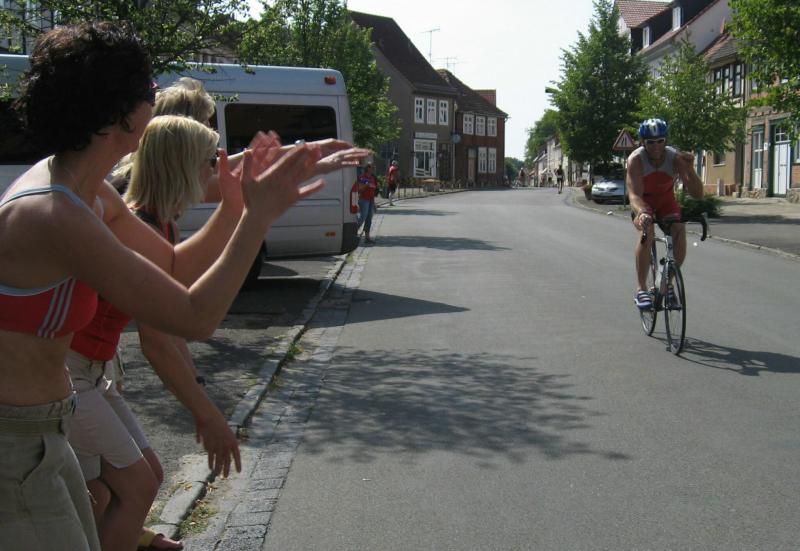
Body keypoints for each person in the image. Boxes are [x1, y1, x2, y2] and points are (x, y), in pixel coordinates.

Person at [0, 21, 367, 551]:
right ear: (123, 114)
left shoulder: (85, 191)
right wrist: (257, 218)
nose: (156, 99)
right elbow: (194, 316)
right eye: (148, 90)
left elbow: (172, 264)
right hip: (16, 442)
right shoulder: (55, 212)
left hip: (44, 429)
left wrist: (237, 203)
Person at [66, 115, 244, 551]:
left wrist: (198, 391)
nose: (214, 171)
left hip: (94, 371)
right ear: (182, 165)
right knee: (134, 486)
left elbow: (172, 326)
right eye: (209, 161)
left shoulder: (161, 224)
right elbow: (161, 340)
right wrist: (206, 413)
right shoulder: (137, 224)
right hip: (68, 373)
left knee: (123, 486)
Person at [627, 118, 703, 310]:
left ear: (666, 140)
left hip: (666, 203)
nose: (656, 146)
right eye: (650, 142)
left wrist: (690, 168)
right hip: (643, 203)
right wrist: (642, 213)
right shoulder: (636, 160)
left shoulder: (675, 158)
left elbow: (697, 193)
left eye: (660, 141)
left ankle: (666, 283)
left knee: (679, 229)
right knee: (647, 231)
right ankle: (641, 288)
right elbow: (634, 195)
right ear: (642, 142)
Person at [356, 163, 378, 243]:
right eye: (372, 167)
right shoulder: (363, 177)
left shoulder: (373, 177)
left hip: (371, 199)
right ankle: (354, 230)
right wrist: (367, 185)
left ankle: (367, 237)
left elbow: (374, 188)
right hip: (364, 199)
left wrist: (374, 203)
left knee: (369, 218)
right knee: (363, 216)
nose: (373, 169)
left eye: (373, 167)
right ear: (367, 168)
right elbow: (359, 188)